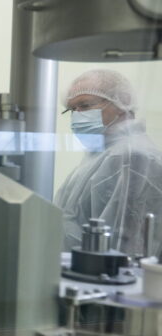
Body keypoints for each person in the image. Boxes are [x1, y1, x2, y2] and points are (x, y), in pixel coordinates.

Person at [55, 69, 162, 257]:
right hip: (78, 268)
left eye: (85, 105)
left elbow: (125, 249)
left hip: (101, 272)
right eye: (72, 109)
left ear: (122, 102)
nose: (77, 115)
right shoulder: (102, 153)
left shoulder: (131, 157)